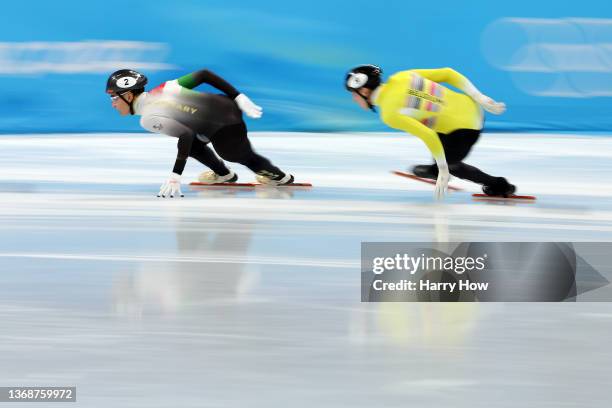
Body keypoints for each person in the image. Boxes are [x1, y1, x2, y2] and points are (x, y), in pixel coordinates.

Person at [106, 69, 294, 198]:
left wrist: (175, 175)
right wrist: (237, 96)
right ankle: (224, 175)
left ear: (129, 96)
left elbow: (185, 134)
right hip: (225, 105)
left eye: (114, 97)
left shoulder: (148, 118)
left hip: (224, 126)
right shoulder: (165, 87)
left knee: (236, 155)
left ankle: (278, 176)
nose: (113, 104)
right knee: (193, 145)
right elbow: (204, 74)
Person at [345, 64, 516, 199]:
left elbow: (428, 135)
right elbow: (448, 73)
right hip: (472, 107)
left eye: (354, 94)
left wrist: (443, 169)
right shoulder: (401, 76)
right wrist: (479, 96)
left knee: (450, 165)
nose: (354, 99)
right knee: (439, 141)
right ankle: (435, 169)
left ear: (364, 91)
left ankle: (499, 185)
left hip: (464, 129)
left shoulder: (389, 114)